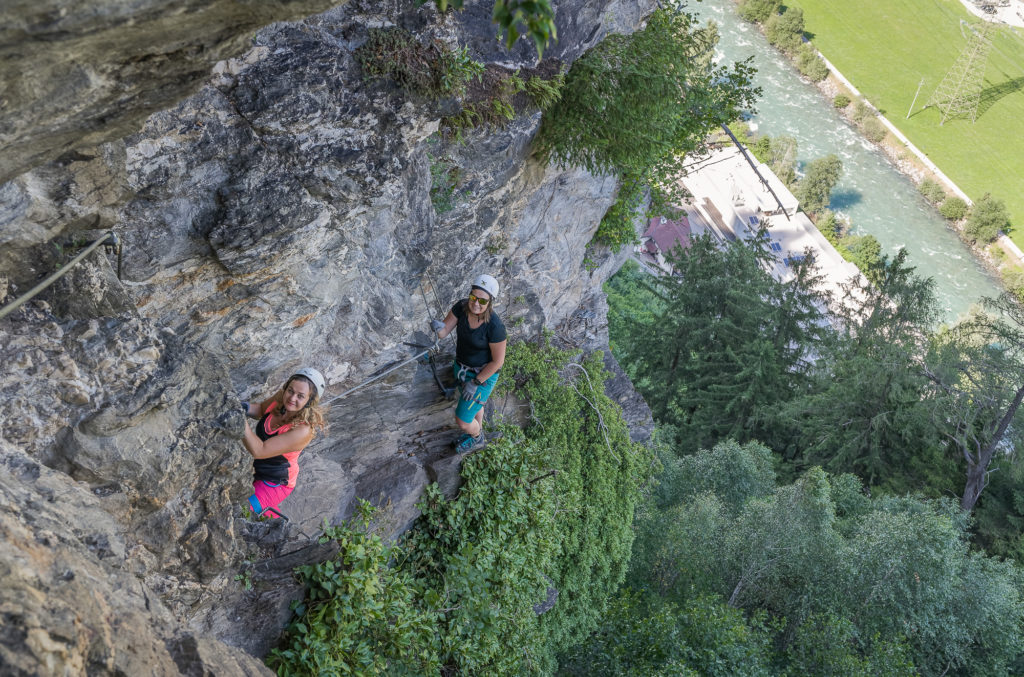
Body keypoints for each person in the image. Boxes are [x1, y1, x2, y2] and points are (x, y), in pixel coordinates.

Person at [431, 274, 507, 453]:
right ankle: (477, 430)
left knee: (463, 421)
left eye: (482, 300)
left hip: (482, 376)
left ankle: (477, 436)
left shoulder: (495, 327)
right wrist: (437, 327)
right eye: (473, 297)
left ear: (490, 302)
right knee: (473, 409)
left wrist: (475, 383)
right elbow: (444, 332)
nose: (476, 303)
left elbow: (498, 362)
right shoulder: (461, 307)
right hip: (461, 368)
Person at [240, 367, 326, 518]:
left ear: (309, 401)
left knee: (244, 509)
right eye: (290, 391)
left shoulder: (303, 430)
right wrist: (243, 407)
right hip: (259, 470)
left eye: (300, 396)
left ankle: (273, 518)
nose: (292, 398)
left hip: (276, 482)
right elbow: (260, 410)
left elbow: (259, 450)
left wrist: (238, 419)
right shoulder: (281, 399)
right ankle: (270, 513)